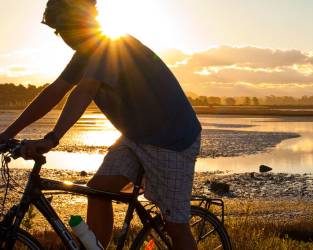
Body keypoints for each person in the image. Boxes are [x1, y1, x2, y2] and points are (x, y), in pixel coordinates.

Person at [0, 0, 202, 249]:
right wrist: (8, 133)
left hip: (171, 139)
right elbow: (54, 92)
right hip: (135, 137)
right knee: (97, 191)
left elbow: (84, 90)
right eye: (59, 31)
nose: (65, 36)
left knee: (175, 226)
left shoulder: (111, 45)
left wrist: (52, 138)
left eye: (68, 27)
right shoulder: (84, 54)